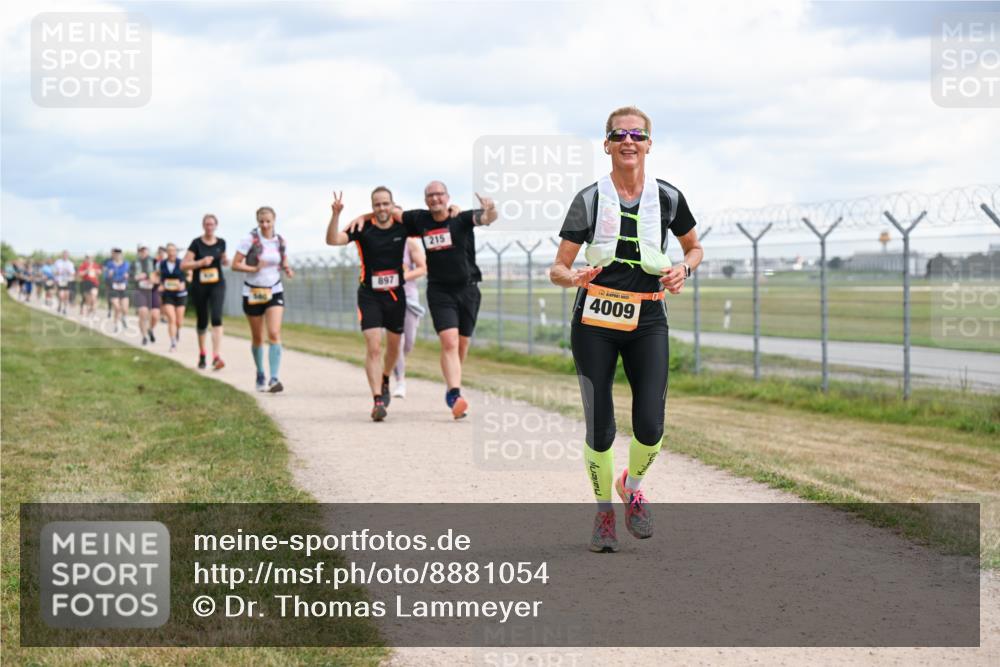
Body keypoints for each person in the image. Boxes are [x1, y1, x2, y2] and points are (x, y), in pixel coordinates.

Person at [549, 106, 702, 553]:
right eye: (620, 135)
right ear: (607, 144)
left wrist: (682, 270)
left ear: (649, 144)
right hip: (594, 321)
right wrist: (572, 276)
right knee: (600, 427)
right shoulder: (590, 199)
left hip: (648, 319)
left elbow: (694, 249)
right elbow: (557, 267)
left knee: (651, 424)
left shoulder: (668, 197)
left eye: (637, 134)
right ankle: (603, 515)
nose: (628, 141)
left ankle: (631, 486)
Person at [346, 182, 498, 419]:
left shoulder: (462, 218)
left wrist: (491, 208)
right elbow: (386, 212)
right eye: (431, 195)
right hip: (439, 291)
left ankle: (451, 385)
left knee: (461, 345)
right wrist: (363, 215)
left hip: (468, 289)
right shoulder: (420, 220)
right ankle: (455, 395)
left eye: (440, 194)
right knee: (449, 342)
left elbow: (488, 217)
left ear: (447, 197)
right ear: (426, 200)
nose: (435, 198)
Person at [327, 188, 426, 420]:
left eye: (385, 204)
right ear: (372, 207)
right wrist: (336, 215)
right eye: (377, 205)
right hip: (369, 296)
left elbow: (428, 223)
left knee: (394, 348)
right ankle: (377, 400)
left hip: (395, 296)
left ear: (392, 205)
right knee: (373, 347)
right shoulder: (362, 228)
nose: (382, 208)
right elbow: (332, 240)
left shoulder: (403, 228)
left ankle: (385, 378)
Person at [231, 206, 293, 392]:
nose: (265, 225)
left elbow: (283, 260)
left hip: (274, 290)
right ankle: (260, 373)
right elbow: (235, 265)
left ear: (274, 220)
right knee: (258, 337)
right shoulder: (249, 240)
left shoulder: (280, 240)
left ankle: (274, 378)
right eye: (262, 221)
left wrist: (287, 269)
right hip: (253, 292)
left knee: (274, 333)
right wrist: (254, 269)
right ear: (257, 222)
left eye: (268, 221)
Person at [182, 214, 228, 370]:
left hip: (217, 284)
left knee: (216, 317)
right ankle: (202, 353)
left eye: (212, 224)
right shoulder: (196, 243)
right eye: (207, 224)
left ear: (216, 225)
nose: (209, 227)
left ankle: (216, 356)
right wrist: (200, 263)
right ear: (203, 226)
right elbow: (184, 265)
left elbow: (223, 258)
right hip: (200, 285)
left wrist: (225, 260)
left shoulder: (221, 243)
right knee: (202, 320)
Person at [392, 237, 427, 399]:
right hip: (390, 298)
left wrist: (401, 276)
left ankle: (392, 363)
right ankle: (400, 382)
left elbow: (422, 268)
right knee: (397, 341)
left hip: (409, 298)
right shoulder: (382, 241)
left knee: (408, 343)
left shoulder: (410, 243)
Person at [158, 243, 188, 352]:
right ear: (167, 252)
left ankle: (177, 331)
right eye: (169, 250)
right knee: (172, 319)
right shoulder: (162, 264)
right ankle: (173, 343)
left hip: (180, 294)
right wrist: (160, 284)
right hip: (168, 294)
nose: (171, 253)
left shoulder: (182, 263)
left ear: (176, 251)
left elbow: (189, 275)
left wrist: (183, 283)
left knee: (179, 321)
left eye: (173, 250)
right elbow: (160, 276)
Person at [104, 248, 131, 333]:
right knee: (117, 308)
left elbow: (132, 274)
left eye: (119, 254)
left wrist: (128, 275)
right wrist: (109, 275)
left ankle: (124, 318)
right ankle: (116, 325)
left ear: (121, 255)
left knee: (125, 308)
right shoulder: (109, 264)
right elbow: (105, 277)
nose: (117, 256)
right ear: (113, 255)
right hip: (113, 287)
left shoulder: (127, 264)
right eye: (115, 254)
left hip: (123, 287)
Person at [149, 246, 166, 341]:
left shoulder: (171, 263)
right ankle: (150, 329)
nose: (162, 254)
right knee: (155, 315)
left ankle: (174, 339)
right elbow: (150, 274)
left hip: (169, 289)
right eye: (160, 252)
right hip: (155, 288)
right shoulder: (153, 262)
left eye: (163, 252)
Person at [53, 250, 75, 315]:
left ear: (68, 256)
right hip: (60, 280)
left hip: (67, 280)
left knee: (67, 295)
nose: (65, 256)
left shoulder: (70, 263)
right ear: (62, 255)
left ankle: (65, 308)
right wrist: (58, 273)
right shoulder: (58, 262)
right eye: (64, 255)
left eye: (66, 255)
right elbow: (54, 271)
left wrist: (69, 272)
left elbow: (73, 273)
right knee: (61, 295)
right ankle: (59, 304)